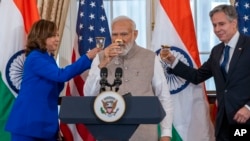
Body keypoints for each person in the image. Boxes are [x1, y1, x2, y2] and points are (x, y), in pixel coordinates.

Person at [161, 4, 250, 141]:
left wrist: (248, 107)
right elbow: (197, 76)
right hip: (223, 122)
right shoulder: (217, 51)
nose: (217, 29)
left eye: (221, 24)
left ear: (234, 23)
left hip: (245, 119)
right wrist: (173, 61)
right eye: (214, 25)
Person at [5, 19, 101, 141]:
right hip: (28, 125)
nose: (57, 39)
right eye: (52, 35)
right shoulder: (35, 57)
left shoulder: (48, 58)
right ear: (40, 37)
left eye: (57, 35)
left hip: (44, 124)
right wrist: (87, 57)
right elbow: (61, 75)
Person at [84, 16, 173, 141]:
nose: (119, 39)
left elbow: (164, 97)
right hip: (109, 132)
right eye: (115, 35)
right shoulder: (100, 58)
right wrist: (102, 64)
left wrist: (166, 133)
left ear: (135, 34)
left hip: (144, 133)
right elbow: (88, 94)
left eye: (124, 34)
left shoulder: (150, 57)